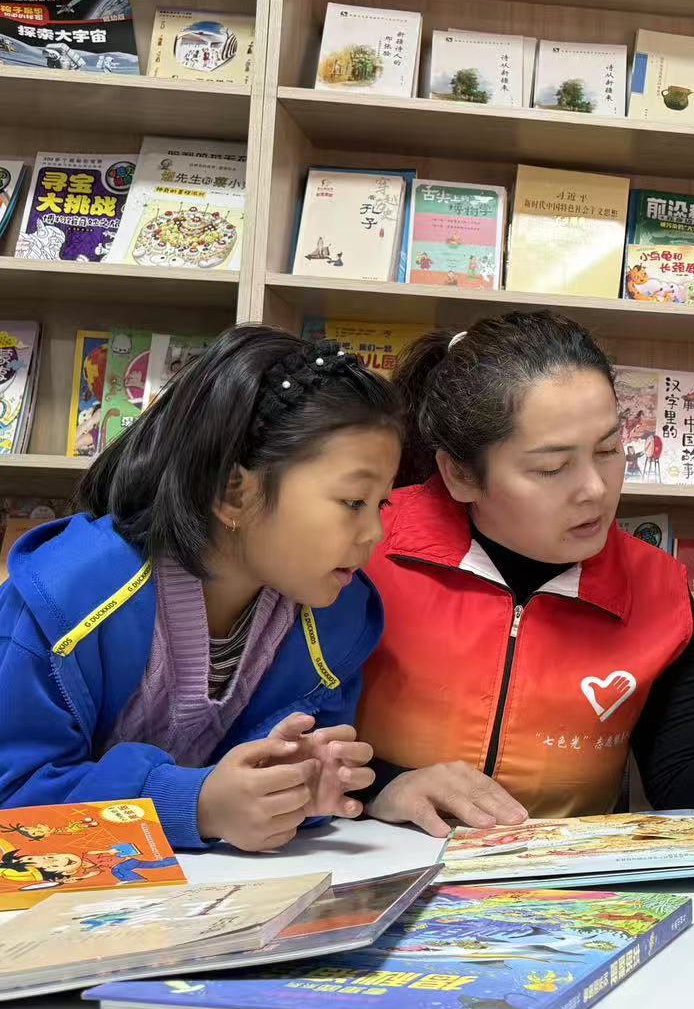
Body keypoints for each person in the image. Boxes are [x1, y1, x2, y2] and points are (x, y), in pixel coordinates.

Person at [0, 329, 400, 852]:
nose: (375, 533)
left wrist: (299, 789)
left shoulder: (338, 620)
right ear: (233, 492)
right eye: (353, 502)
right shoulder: (69, 598)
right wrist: (194, 804)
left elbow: (269, 799)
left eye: (382, 504)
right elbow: (14, 797)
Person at [357, 310, 694, 837]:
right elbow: (278, 738)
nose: (596, 489)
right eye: (552, 468)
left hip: (559, 877)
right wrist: (383, 786)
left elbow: (687, 781)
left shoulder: (659, 587)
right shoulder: (363, 550)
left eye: (609, 450)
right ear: (461, 475)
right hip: (374, 858)